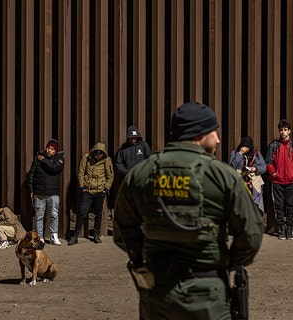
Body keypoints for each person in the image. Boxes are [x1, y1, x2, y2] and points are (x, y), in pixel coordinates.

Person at [114, 102, 264, 320]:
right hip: (209, 294)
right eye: (215, 132)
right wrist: (228, 262)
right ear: (200, 133)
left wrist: (142, 259)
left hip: (158, 291)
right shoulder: (223, 176)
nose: (218, 139)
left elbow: (122, 228)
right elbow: (251, 234)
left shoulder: (141, 173)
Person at [265, 119, 293, 240]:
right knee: (278, 206)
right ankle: (281, 229)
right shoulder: (274, 145)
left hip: (290, 181)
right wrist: (273, 173)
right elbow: (268, 162)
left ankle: (289, 228)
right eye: (281, 130)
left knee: (290, 205)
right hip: (277, 181)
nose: (283, 132)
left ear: (289, 131)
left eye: (285, 130)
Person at [68, 142, 114, 245]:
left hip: (100, 190)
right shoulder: (86, 158)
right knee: (82, 213)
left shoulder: (107, 160)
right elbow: (80, 173)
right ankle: (75, 236)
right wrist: (82, 187)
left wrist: (106, 189)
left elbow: (110, 175)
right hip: (87, 190)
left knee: (98, 213)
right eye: (97, 154)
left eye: (100, 154)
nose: (98, 156)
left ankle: (96, 235)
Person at [27, 139, 65, 245]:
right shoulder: (37, 159)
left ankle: (54, 236)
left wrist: (43, 159)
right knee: (39, 216)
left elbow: (54, 168)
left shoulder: (59, 159)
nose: (49, 150)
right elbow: (31, 175)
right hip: (39, 193)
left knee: (54, 215)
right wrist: (31, 190)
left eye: (52, 149)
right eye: (48, 148)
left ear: (55, 151)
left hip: (53, 193)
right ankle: (39, 237)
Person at [228, 136, 267, 212]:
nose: (246, 148)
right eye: (244, 146)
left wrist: (255, 168)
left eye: (247, 147)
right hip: (240, 181)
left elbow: (264, 167)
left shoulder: (256, 154)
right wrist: (240, 153)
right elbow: (232, 166)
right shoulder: (235, 153)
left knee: (254, 205)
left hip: (253, 181)